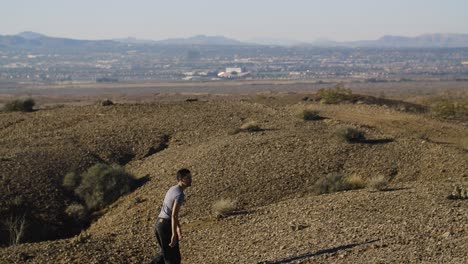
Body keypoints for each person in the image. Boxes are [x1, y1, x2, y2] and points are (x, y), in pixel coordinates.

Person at [151, 168, 192, 264]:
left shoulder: (172, 189)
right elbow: (173, 215)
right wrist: (174, 234)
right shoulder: (180, 194)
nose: (191, 179)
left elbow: (171, 213)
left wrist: (178, 227)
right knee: (173, 259)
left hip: (159, 224)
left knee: (165, 255)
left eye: (191, 177)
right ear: (181, 179)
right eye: (188, 177)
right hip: (166, 225)